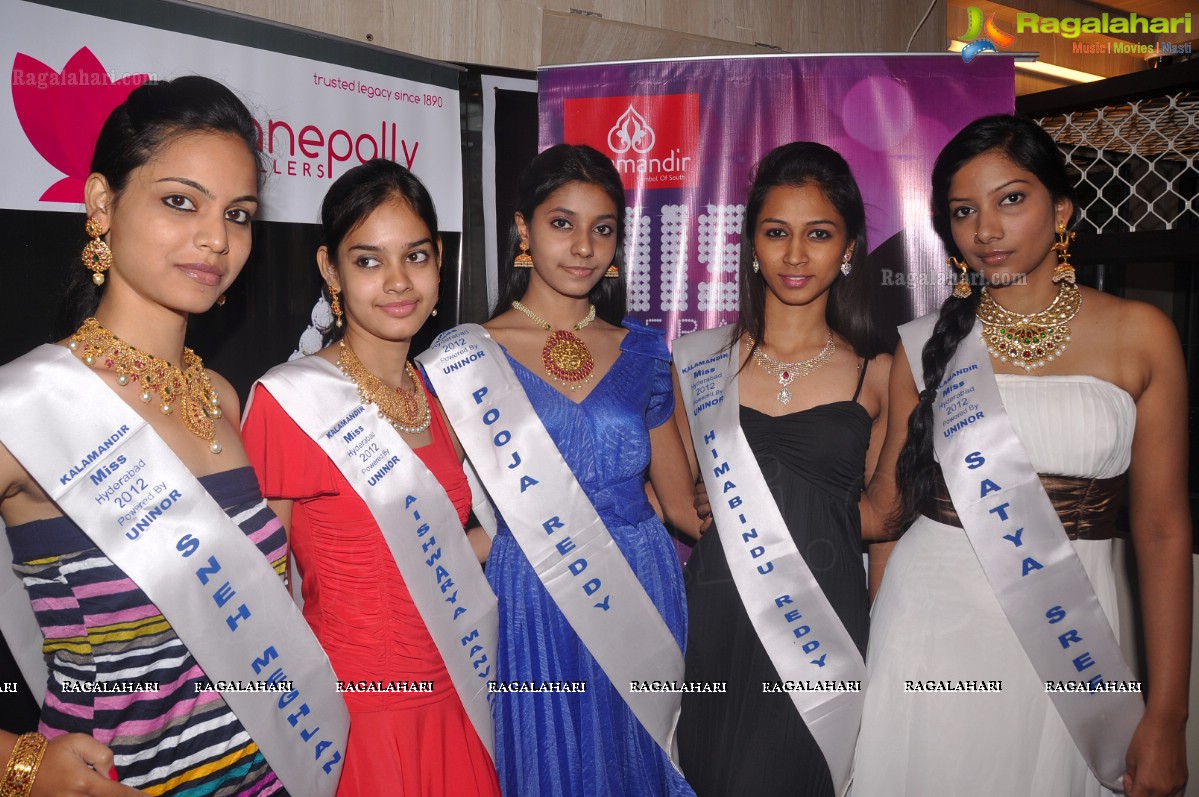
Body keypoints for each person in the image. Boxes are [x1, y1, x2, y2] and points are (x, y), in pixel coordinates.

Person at [0, 76, 347, 797]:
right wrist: (18, 766)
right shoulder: (25, 409)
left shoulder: (220, 397)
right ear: (102, 203)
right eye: (179, 201)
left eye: (240, 213)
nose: (216, 239)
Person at [853, 114, 1190, 797]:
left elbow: (1160, 531)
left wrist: (1168, 712)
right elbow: (883, 511)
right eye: (963, 211)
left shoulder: (1140, 334)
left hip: (1075, 632)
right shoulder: (920, 347)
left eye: (1011, 199)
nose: (986, 229)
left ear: (1060, 208)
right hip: (930, 622)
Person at [417, 144, 701, 796]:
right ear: (523, 228)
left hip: (639, 582)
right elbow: (453, 509)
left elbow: (684, 506)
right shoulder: (467, 358)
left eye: (601, 228)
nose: (583, 246)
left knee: (636, 763)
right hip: (532, 589)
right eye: (561, 223)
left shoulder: (645, 352)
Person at [241, 159, 501, 797]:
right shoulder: (291, 402)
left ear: (439, 260)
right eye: (367, 261)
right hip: (355, 717)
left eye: (414, 256)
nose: (396, 282)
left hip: (459, 691)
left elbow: (451, 548)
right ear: (330, 269)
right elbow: (256, 594)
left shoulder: (443, 394)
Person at [672, 142, 890, 796]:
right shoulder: (696, 359)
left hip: (824, 627)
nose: (795, 254)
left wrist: (878, 646)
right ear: (750, 244)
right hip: (717, 621)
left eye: (818, 234)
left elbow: (882, 531)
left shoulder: (876, 373)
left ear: (848, 246)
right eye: (776, 233)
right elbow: (683, 500)